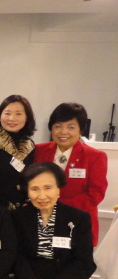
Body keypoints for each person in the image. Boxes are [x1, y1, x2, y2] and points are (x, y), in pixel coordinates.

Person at [34, 103, 108, 246]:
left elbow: (95, 194)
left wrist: (55, 206)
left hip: (77, 223)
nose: (63, 132)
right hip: (41, 222)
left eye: (71, 127)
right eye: (58, 126)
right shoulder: (39, 150)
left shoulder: (95, 156)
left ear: (81, 130)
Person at [0, 95, 36, 210]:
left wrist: (27, 201)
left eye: (18, 114)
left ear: (27, 118)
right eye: (7, 113)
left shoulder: (29, 145)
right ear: (0, 116)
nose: (12, 118)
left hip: (23, 210)